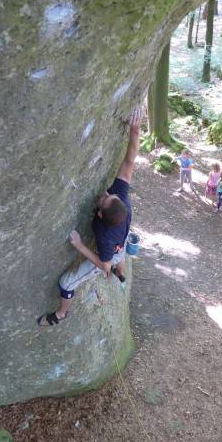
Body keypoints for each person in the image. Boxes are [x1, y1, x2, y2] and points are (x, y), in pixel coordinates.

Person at [37, 108, 142, 326]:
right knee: (118, 252)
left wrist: (80, 246)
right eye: (108, 195)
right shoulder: (119, 199)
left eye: (104, 199)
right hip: (120, 241)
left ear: (101, 214)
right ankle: (120, 269)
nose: (104, 193)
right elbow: (129, 163)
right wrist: (135, 130)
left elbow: (103, 266)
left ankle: (61, 314)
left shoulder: (103, 235)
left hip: (110, 253)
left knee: (66, 283)